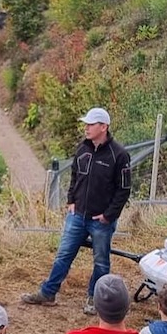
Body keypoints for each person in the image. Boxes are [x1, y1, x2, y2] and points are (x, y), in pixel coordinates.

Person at [22, 107, 131, 315]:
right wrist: (71, 200)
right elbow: (74, 176)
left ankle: (95, 298)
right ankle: (48, 293)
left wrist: (108, 215)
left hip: (101, 221)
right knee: (63, 255)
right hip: (77, 215)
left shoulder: (119, 155)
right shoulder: (82, 148)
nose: (86, 128)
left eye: (90, 124)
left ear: (103, 127)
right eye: (86, 124)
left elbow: (124, 190)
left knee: (101, 262)